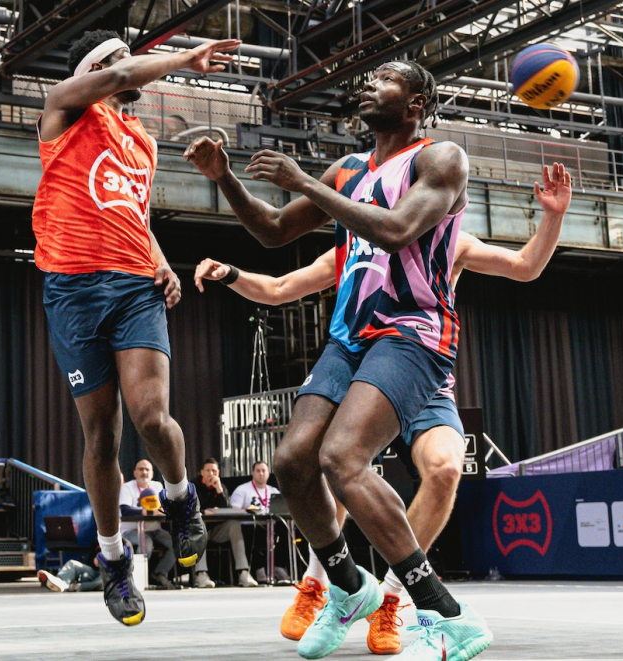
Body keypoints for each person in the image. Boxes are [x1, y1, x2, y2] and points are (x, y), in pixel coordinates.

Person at [193, 162, 571, 650]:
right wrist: (231, 273)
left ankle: (393, 597)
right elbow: (281, 288)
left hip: (421, 377)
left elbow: (525, 266)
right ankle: (326, 585)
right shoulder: (353, 246)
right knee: (337, 460)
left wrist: (553, 216)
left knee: (444, 468)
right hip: (364, 368)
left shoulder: (449, 241)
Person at [184, 60, 490, 660]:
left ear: (416, 102)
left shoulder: (441, 159)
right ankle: (349, 587)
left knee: (343, 457)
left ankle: (447, 614)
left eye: (386, 78)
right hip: (349, 337)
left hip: (412, 331)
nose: (368, 84)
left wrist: (304, 182)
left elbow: (397, 229)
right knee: (292, 462)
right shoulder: (348, 169)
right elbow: (274, 231)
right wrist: (226, 179)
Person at [31, 28, 238, 625]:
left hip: (132, 288)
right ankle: (114, 560)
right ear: (94, 71)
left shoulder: (142, 143)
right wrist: (186, 57)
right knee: (101, 435)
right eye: (120, 59)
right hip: (72, 291)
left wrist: (160, 261)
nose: (132, 68)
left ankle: (180, 497)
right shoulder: (64, 108)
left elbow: (134, 216)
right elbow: (121, 76)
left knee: (151, 417)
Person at [116, 459, 176, 589]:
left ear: (152, 474)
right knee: (146, 545)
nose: (144, 472)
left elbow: (165, 508)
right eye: (141, 469)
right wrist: (149, 512)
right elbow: (125, 510)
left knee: (177, 543)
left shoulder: (157, 486)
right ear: (135, 473)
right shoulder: (127, 487)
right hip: (132, 530)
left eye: (147, 469)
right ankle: (135, 579)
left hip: (154, 529)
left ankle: (159, 573)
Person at [191, 458, 246, 589]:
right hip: (196, 530)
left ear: (218, 473)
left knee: (234, 525)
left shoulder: (221, 487)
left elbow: (227, 511)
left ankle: (243, 572)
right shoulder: (192, 486)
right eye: (208, 471)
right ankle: (201, 574)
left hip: (215, 530)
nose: (211, 474)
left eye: (214, 471)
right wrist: (204, 511)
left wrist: (219, 489)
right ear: (202, 472)